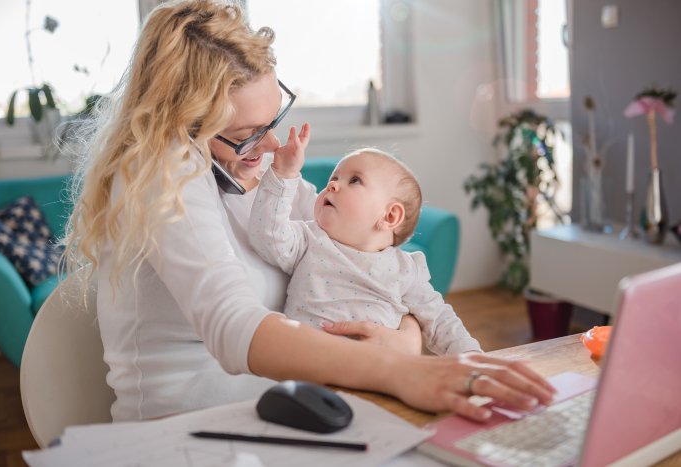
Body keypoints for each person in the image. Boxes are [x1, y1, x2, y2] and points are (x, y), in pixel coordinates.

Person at [63, 0, 555, 424]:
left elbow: (367, 268)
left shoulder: (265, 180)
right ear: (180, 124)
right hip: (188, 435)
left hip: (294, 407)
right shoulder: (161, 172)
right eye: (245, 134)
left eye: (274, 119)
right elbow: (234, 325)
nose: (273, 145)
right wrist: (399, 369)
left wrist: (405, 341)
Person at [249, 141, 482, 356]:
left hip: (379, 374)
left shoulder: (406, 269)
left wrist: (471, 357)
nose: (332, 184)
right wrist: (283, 177)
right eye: (334, 178)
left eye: (354, 180)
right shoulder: (309, 239)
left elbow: (440, 320)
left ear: (389, 215)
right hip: (308, 369)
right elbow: (267, 235)